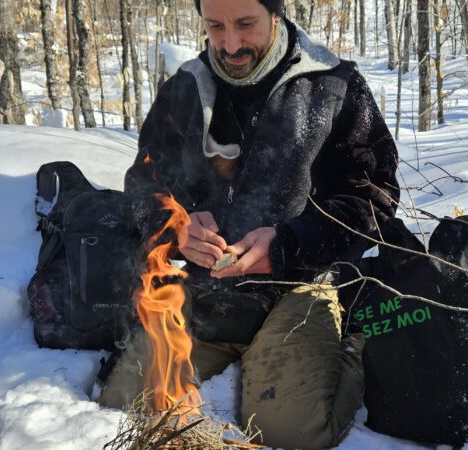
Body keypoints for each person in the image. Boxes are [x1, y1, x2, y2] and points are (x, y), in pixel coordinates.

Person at [99, 0, 399, 447]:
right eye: (215, 26)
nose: (230, 44)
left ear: (276, 15)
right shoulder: (184, 89)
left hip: (300, 282)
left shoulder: (334, 84)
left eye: (245, 24)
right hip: (206, 287)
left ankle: (350, 342)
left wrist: (288, 243)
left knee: (292, 431)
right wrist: (176, 229)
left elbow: (374, 195)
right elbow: (144, 185)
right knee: (124, 402)